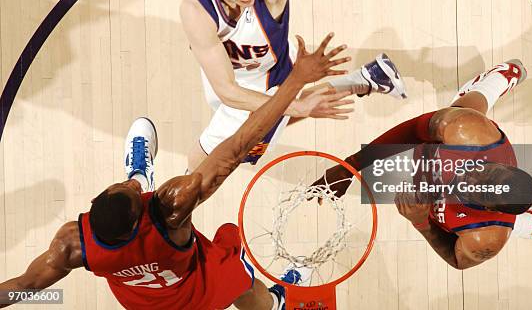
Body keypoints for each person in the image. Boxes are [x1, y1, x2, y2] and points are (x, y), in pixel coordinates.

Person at [0, 34, 347, 309]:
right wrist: (296, 81)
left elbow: (25, 287)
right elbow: (240, 143)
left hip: (143, 301)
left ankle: (140, 171)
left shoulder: (72, 246)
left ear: (93, 206)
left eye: (128, 187)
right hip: (193, 282)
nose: (134, 192)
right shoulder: (172, 207)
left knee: (236, 275)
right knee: (238, 279)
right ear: (140, 220)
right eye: (137, 192)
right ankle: (277, 303)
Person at [180, 0, 406, 170]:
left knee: (203, 159)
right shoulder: (196, 10)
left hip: (266, 79)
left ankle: (173, 206)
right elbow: (227, 91)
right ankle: (367, 77)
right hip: (223, 76)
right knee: (268, 123)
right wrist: (299, 107)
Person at [313, 59, 532, 269]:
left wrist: (422, 223)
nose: (472, 178)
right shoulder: (469, 135)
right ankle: (501, 79)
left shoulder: (487, 236)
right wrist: (352, 165)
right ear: (498, 166)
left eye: (482, 190)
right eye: (486, 173)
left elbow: (457, 259)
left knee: (504, 229)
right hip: (453, 141)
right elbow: (415, 128)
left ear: (489, 207)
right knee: (463, 107)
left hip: (479, 221)